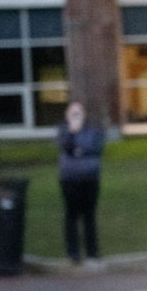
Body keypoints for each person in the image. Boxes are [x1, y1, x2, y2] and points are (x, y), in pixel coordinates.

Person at [56, 101, 104, 266]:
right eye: (73, 113)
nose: (76, 116)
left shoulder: (93, 130)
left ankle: (92, 253)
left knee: (89, 216)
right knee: (71, 215)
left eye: (78, 113)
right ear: (67, 115)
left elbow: (96, 148)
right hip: (69, 180)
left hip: (90, 179)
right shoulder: (64, 131)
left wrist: (80, 150)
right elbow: (65, 146)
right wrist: (72, 132)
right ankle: (73, 253)